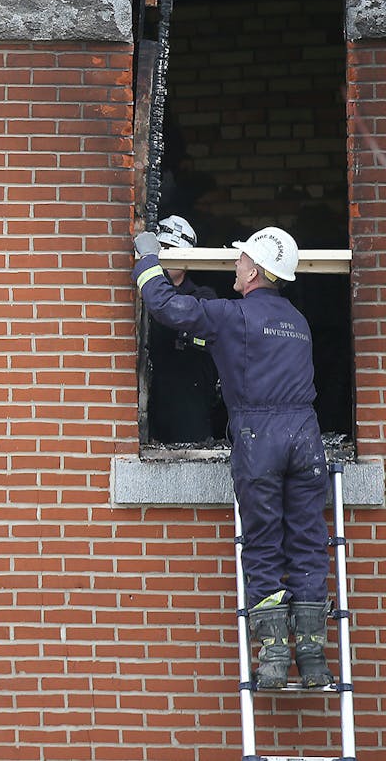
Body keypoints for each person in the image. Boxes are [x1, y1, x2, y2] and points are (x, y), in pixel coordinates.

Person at [132, 224, 332, 689]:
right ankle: (314, 656)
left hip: (260, 436)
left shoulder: (234, 316)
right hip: (306, 437)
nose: (235, 267)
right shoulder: (297, 322)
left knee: (263, 545)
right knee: (307, 542)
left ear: (257, 271)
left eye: (242, 261)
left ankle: (276, 659)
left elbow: (167, 307)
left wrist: (147, 262)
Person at [143, 215, 222, 445]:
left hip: (189, 410)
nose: (165, 255)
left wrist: (155, 282)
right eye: (161, 248)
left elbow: (173, 311)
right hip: (153, 405)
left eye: (171, 249)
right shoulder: (144, 296)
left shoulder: (203, 298)